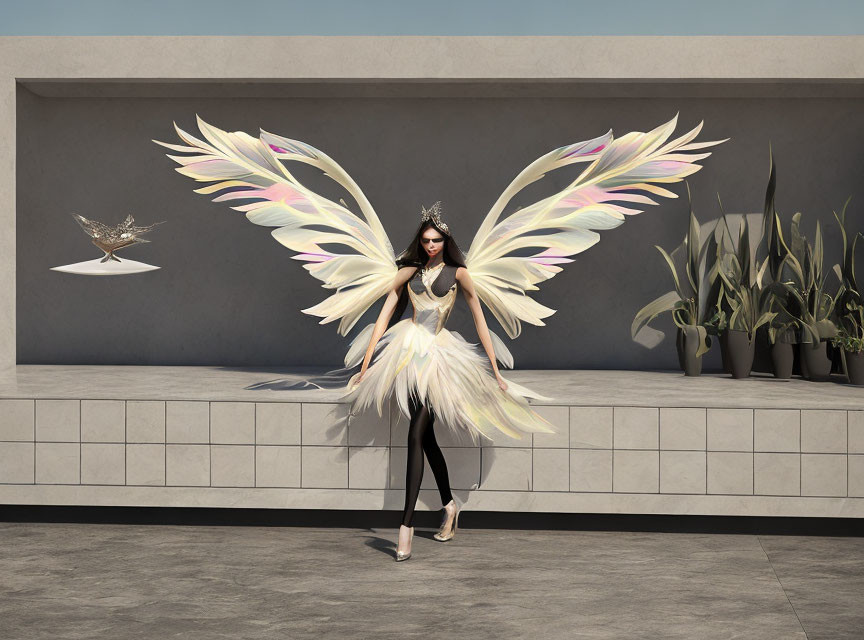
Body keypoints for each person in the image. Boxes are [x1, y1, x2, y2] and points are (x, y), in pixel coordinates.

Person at [344, 204, 548, 561]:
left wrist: (497, 372)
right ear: (420, 242)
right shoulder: (408, 271)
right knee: (425, 439)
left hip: (439, 359)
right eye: (425, 241)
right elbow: (385, 314)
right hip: (406, 355)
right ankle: (450, 505)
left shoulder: (459, 274)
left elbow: (481, 321)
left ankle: (405, 526)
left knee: (415, 435)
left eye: (437, 240)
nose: (431, 246)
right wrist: (366, 363)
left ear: (446, 240)